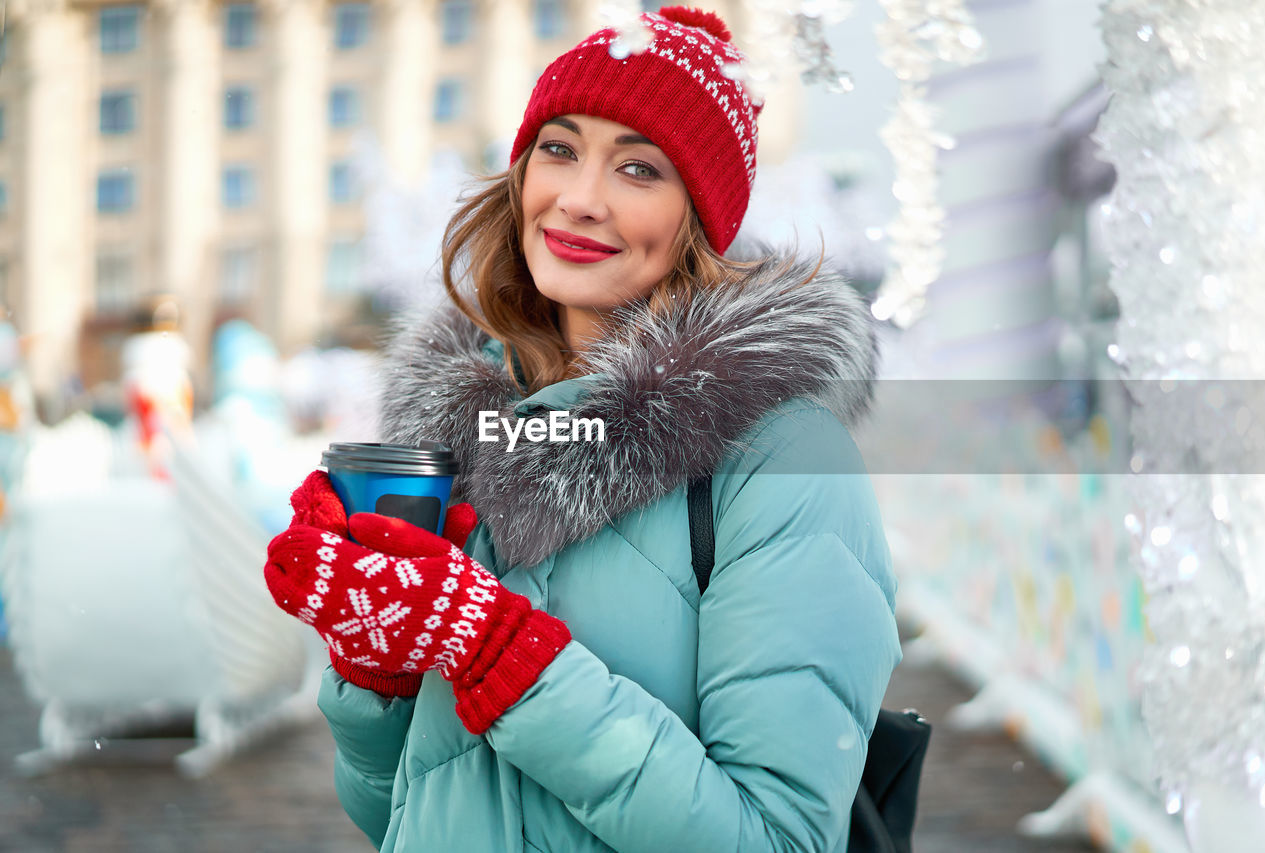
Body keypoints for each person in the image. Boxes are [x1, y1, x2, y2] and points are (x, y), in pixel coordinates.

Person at [264, 6, 900, 851]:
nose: (580, 200)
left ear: (698, 220)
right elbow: (402, 815)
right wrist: (376, 667)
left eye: (639, 169)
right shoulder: (458, 438)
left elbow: (776, 836)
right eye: (559, 149)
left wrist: (499, 653)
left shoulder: (782, 457)